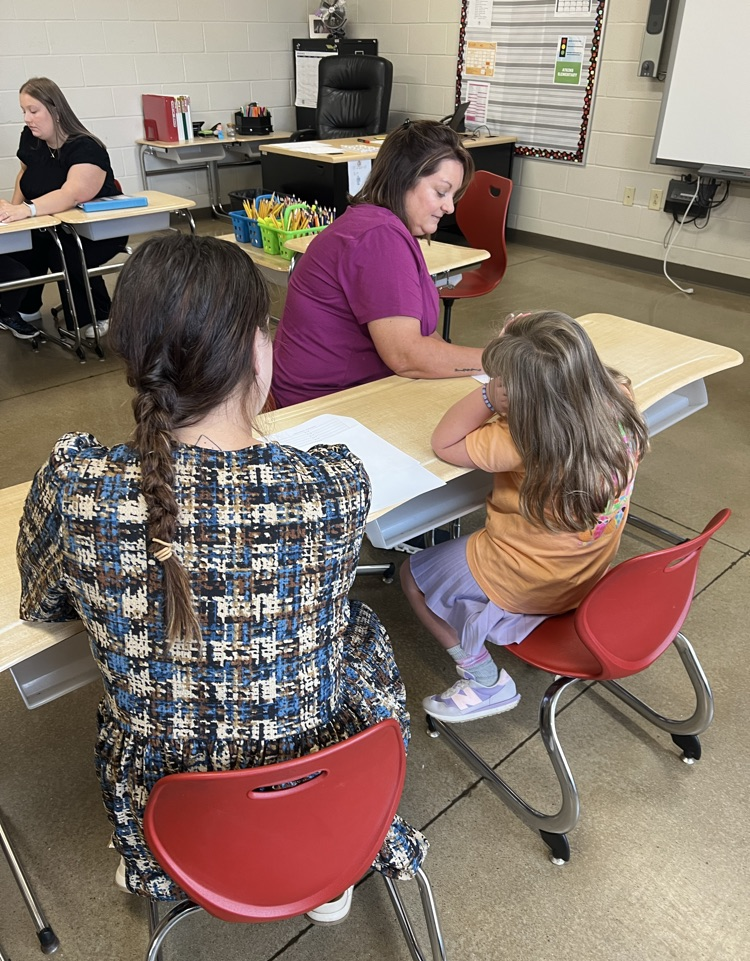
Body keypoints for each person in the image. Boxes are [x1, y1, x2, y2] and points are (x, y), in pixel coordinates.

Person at [16, 233, 427, 919]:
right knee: (358, 628)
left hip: (165, 810)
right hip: (321, 788)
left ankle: (162, 865)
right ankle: (319, 866)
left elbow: (46, 602)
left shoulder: (78, 483)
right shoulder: (330, 485)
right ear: (255, 350)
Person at [400, 311, 650, 722]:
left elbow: (444, 443)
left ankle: (483, 679)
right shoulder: (619, 395)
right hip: (586, 574)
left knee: (412, 576)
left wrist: (486, 394)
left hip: (529, 582)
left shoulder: (519, 436)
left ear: (521, 397)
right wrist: (522, 341)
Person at [271, 119, 486, 407]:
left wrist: (484, 361)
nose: (449, 207)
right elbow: (406, 357)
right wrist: (500, 359)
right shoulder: (379, 237)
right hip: (321, 406)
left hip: (341, 394)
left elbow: (423, 337)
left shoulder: (379, 225)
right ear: (404, 178)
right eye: (440, 192)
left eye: (452, 195)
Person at [0, 77, 128, 339]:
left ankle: (99, 313)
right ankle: (24, 308)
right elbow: (24, 176)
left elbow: (72, 193)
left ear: (56, 111)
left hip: (96, 231)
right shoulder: (32, 139)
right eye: (24, 111)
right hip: (54, 224)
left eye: (33, 111)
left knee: (62, 250)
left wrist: (28, 210)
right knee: (24, 245)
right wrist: (13, 213)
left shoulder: (86, 147)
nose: (27, 118)